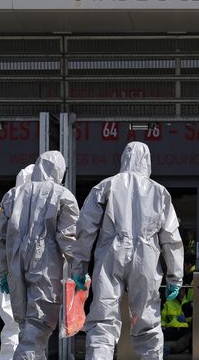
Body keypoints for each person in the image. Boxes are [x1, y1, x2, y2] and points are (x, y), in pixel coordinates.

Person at [70, 141, 184, 359]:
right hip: (147, 257)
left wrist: (79, 266)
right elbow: (171, 239)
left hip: (110, 254)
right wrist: (175, 277)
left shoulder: (106, 186)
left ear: (123, 158)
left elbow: (85, 229)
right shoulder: (159, 192)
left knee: (103, 320)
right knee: (148, 322)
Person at [0, 151, 79, 360]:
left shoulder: (12, 195)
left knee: (27, 330)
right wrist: (78, 271)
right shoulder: (62, 195)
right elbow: (69, 240)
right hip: (45, 270)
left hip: (15, 270)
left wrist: (4, 273)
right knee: (36, 330)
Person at [0, 165, 34, 360]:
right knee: (24, 329)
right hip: (20, 279)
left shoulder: (5, 209)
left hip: (4, 279)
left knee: (14, 328)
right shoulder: (39, 210)